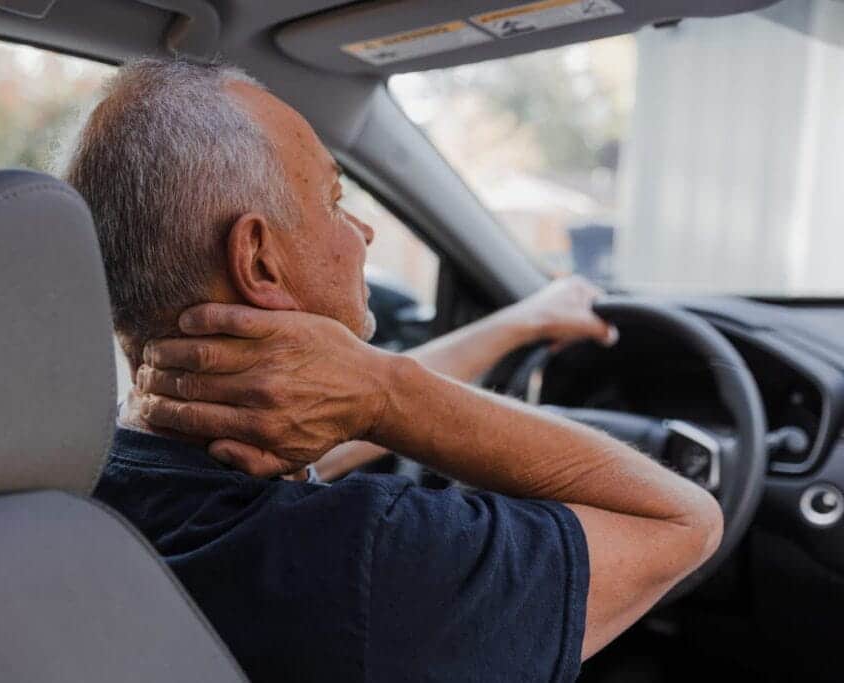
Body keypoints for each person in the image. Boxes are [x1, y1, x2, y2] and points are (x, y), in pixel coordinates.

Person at [63, 58, 722, 682]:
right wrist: (384, 391)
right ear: (260, 260)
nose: (363, 232)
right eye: (333, 199)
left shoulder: (91, 484)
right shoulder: (371, 563)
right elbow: (683, 522)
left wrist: (515, 324)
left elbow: (317, 418)